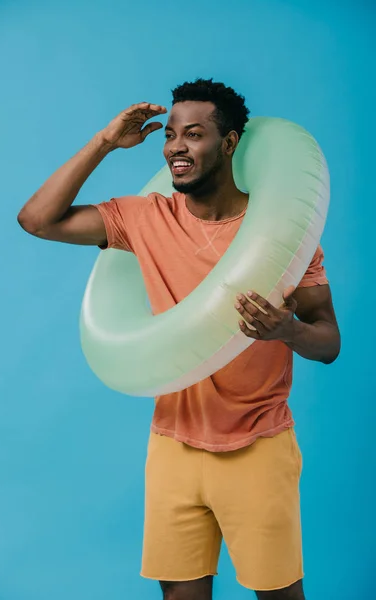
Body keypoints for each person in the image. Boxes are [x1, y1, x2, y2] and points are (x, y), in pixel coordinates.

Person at [17, 78, 341, 600]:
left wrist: (289, 330)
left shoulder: (279, 233)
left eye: (193, 134)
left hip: (257, 444)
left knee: (280, 595)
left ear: (230, 143)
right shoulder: (146, 217)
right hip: (172, 443)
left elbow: (329, 342)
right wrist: (104, 140)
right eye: (170, 134)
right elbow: (37, 219)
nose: (175, 148)